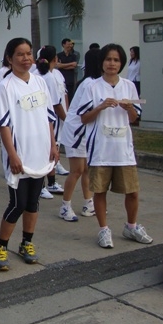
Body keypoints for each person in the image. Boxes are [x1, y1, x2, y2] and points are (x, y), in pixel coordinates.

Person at [0, 38, 58, 271]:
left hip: (41, 152)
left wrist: (53, 145)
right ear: (10, 58)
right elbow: (3, 125)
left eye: (29, 53)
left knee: (33, 202)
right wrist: (12, 155)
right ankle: (1, 247)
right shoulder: (6, 86)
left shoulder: (40, 82)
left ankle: (26, 243)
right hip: (20, 154)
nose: (26, 58)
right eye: (20, 54)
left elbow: (49, 117)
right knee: (17, 203)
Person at [79, 43, 151, 249]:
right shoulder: (92, 87)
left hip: (123, 149)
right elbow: (84, 118)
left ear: (122, 63)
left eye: (116, 60)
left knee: (132, 191)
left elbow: (134, 118)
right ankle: (104, 229)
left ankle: (131, 226)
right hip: (101, 149)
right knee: (100, 191)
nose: (112, 63)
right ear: (102, 62)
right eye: (108, 59)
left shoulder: (129, 86)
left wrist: (129, 108)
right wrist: (100, 106)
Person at [58, 48, 103, 221]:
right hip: (77, 132)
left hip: (85, 132)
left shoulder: (94, 82)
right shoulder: (90, 84)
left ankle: (88, 203)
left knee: (87, 170)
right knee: (76, 171)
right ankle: (65, 206)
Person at [35, 46, 66, 198]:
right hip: (48, 120)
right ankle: (41, 185)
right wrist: (67, 120)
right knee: (47, 152)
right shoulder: (48, 77)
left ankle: (51, 183)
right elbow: (56, 104)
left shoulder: (41, 74)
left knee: (49, 153)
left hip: (42, 120)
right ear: (55, 59)